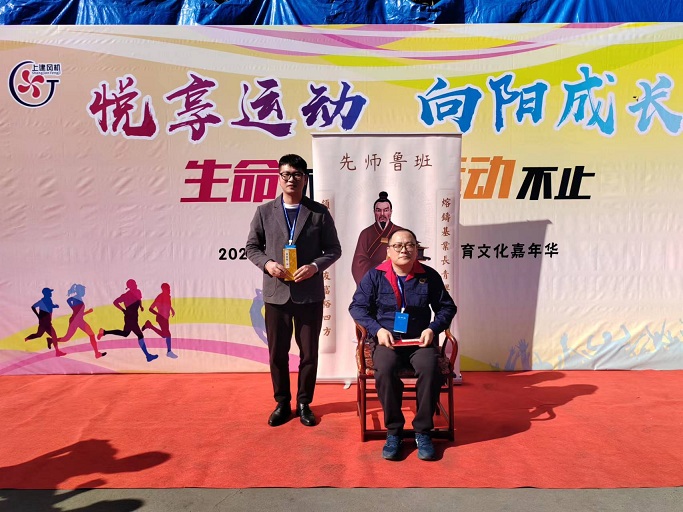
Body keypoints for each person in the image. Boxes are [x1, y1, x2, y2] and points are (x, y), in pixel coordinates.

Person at [245, 154, 342, 427]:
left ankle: (304, 403)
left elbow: (334, 249)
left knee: (309, 353)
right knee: (277, 352)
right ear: (279, 177)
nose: (291, 179)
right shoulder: (264, 212)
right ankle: (282, 402)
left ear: (305, 179)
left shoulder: (318, 213)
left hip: (309, 293)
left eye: (297, 174)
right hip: (276, 294)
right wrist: (268, 264)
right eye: (286, 174)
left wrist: (314, 266)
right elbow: (252, 247)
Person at [349, 228, 456, 460]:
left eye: (409, 245)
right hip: (387, 342)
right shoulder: (374, 276)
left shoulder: (429, 276)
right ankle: (394, 431)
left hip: (419, 342)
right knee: (385, 369)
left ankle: (423, 432)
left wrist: (432, 329)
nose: (403, 250)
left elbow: (447, 307)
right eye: (397, 246)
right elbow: (357, 307)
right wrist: (377, 330)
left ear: (417, 250)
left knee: (430, 368)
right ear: (388, 251)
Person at [351, 191, 404, 286]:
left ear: (391, 212)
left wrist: (393, 265)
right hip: (373, 281)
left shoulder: (401, 232)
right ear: (374, 212)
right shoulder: (366, 233)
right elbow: (358, 264)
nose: (382, 214)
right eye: (378, 210)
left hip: (396, 281)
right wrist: (379, 267)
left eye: (386, 210)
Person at [98, 279, 158, 362]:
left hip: (134, 317)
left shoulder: (138, 292)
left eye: (135, 283)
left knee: (125, 333)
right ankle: (148, 356)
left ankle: (104, 332)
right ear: (130, 286)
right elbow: (115, 302)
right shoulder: (126, 295)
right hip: (130, 318)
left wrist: (141, 306)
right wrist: (123, 310)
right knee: (140, 335)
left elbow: (139, 300)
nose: (136, 285)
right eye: (134, 284)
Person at [53, 284, 106, 359]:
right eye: (83, 290)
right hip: (75, 321)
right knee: (66, 338)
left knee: (91, 335)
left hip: (79, 320)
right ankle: (52, 340)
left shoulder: (79, 299)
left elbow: (79, 313)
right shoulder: (76, 299)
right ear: (79, 291)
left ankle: (97, 353)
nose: (84, 292)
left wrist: (87, 312)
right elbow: (69, 301)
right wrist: (73, 308)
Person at [25, 287, 66, 357]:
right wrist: (38, 316)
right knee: (52, 336)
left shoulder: (49, 300)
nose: (51, 293)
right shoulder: (42, 301)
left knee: (39, 334)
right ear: (46, 294)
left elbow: (49, 306)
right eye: (49, 292)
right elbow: (33, 307)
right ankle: (56, 350)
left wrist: (54, 306)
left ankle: (27, 339)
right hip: (45, 323)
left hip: (46, 322)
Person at [142, 283, 178, 359]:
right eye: (168, 288)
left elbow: (167, 305)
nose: (169, 290)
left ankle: (149, 325)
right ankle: (169, 352)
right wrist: (158, 314)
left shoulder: (168, 296)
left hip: (166, 318)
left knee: (165, 335)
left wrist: (171, 309)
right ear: (163, 289)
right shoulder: (160, 297)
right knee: (168, 334)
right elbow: (151, 308)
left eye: (169, 288)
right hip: (161, 318)